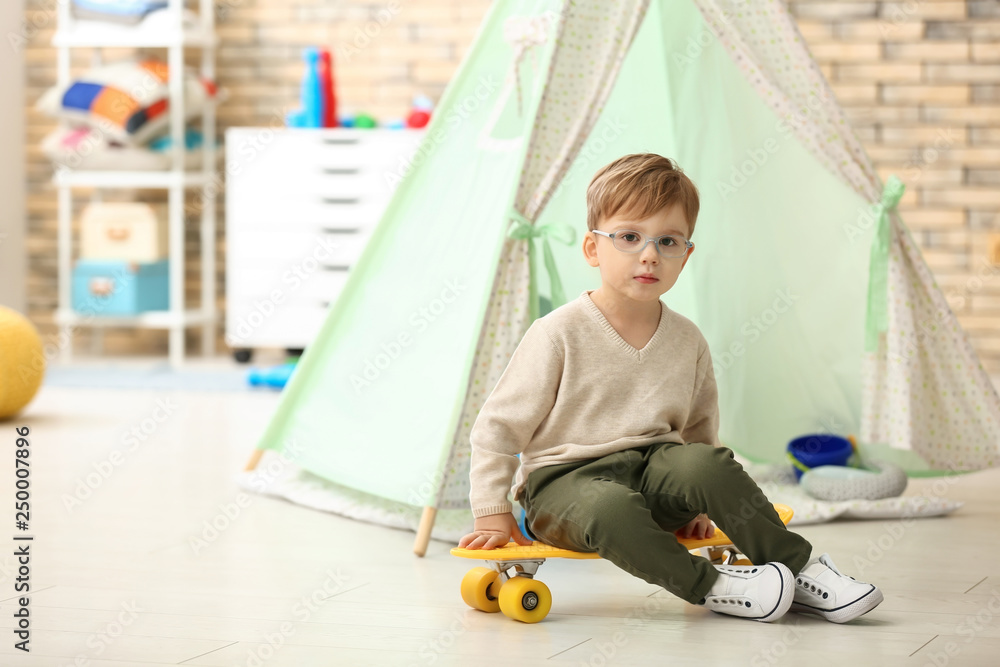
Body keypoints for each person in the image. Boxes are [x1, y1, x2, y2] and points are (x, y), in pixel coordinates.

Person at [458, 153, 883, 623]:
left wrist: (700, 499)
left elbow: (700, 433)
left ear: (686, 254)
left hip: (654, 472)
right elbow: (497, 429)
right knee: (610, 504)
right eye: (629, 237)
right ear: (593, 249)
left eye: (668, 241)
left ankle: (797, 569)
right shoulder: (557, 333)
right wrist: (493, 511)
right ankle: (713, 585)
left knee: (708, 462)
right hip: (565, 487)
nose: (649, 254)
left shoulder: (687, 339)